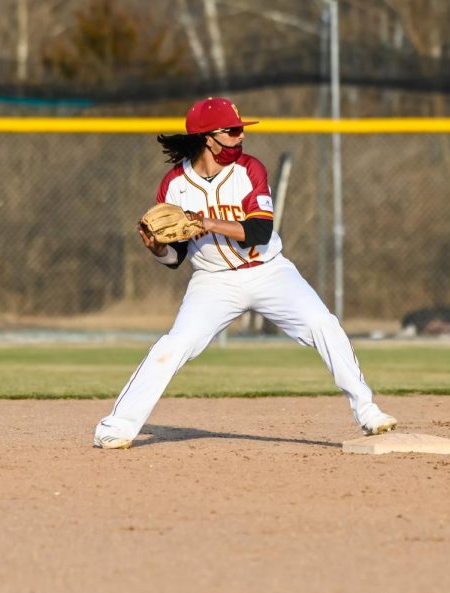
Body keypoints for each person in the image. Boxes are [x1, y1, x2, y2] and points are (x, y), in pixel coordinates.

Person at [93, 97, 397, 449]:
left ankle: (368, 411)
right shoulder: (174, 184)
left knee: (322, 323)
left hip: (269, 271)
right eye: (233, 130)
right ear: (209, 137)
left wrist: (203, 221)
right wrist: (158, 249)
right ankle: (116, 427)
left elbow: (259, 232)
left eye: (240, 130)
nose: (241, 137)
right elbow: (176, 256)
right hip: (213, 281)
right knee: (173, 346)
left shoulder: (250, 169)